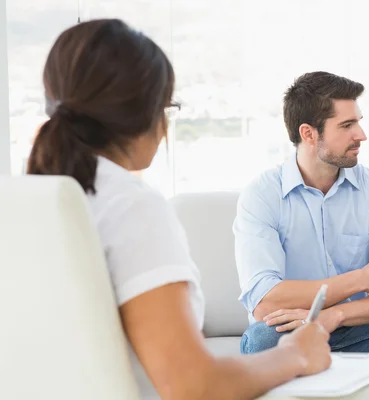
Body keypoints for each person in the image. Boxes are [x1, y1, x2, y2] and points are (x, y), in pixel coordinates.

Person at [27, 19, 337, 400]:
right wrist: (294, 355)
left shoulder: (32, 199)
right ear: (147, 113)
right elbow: (191, 386)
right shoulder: (130, 206)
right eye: (167, 107)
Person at [233, 71, 369, 400]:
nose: (361, 135)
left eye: (358, 122)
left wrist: (336, 315)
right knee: (262, 338)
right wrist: (361, 279)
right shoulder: (262, 194)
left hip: (363, 327)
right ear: (309, 133)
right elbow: (265, 302)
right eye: (346, 126)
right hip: (292, 331)